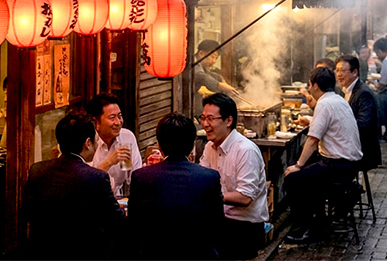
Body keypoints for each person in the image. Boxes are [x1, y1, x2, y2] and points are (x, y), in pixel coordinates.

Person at [23, 113, 124, 259]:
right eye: (95, 140)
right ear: (87, 143)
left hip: (42, 252)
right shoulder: (96, 177)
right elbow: (116, 222)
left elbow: (28, 212)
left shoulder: (37, 170)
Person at [282, 67, 363, 244]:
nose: (310, 88)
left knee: (293, 178)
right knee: (308, 173)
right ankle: (316, 222)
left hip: (339, 166)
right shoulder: (337, 100)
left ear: (315, 85)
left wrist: (298, 165)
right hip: (350, 163)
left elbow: (312, 140)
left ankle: (309, 228)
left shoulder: (324, 104)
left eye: (310, 85)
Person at [128, 113, 224, 259]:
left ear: (159, 145)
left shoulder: (141, 177)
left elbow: (135, 224)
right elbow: (216, 224)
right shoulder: (209, 177)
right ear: (192, 145)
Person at [199, 93, 268, 259]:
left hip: (244, 226)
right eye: (202, 118)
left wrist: (213, 197)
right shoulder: (209, 147)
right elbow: (202, 180)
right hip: (220, 219)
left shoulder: (246, 150)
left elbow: (245, 197)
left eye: (210, 119)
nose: (205, 124)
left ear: (228, 121)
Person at [86, 94, 143, 197]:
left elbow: (136, 176)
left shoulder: (127, 137)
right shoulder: (88, 143)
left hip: (118, 200)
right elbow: (87, 183)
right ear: (96, 122)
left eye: (120, 116)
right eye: (112, 118)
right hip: (92, 200)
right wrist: (109, 162)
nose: (118, 122)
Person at [335, 54, 381, 172]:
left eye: (343, 71)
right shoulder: (345, 91)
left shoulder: (363, 94)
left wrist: (336, 125)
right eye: (337, 70)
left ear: (355, 72)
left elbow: (363, 125)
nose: (339, 75)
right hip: (349, 145)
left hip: (362, 150)